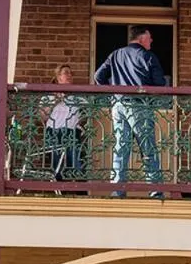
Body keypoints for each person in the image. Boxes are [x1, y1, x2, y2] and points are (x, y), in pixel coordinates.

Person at [93, 25, 166, 199]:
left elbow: (98, 77)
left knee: (121, 147)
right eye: (149, 38)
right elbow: (160, 83)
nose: (152, 41)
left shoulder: (116, 54)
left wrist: (114, 94)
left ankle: (118, 189)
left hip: (118, 105)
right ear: (141, 39)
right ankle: (155, 189)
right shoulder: (147, 56)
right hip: (139, 105)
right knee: (147, 146)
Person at [39, 64, 87, 183]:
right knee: (57, 162)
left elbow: (89, 114)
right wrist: (56, 100)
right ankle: (59, 185)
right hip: (54, 132)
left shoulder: (78, 97)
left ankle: (78, 187)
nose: (69, 76)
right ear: (58, 77)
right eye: (66, 73)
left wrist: (81, 124)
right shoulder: (48, 97)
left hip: (73, 132)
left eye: (71, 73)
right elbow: (42, 117)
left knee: (75, 161)